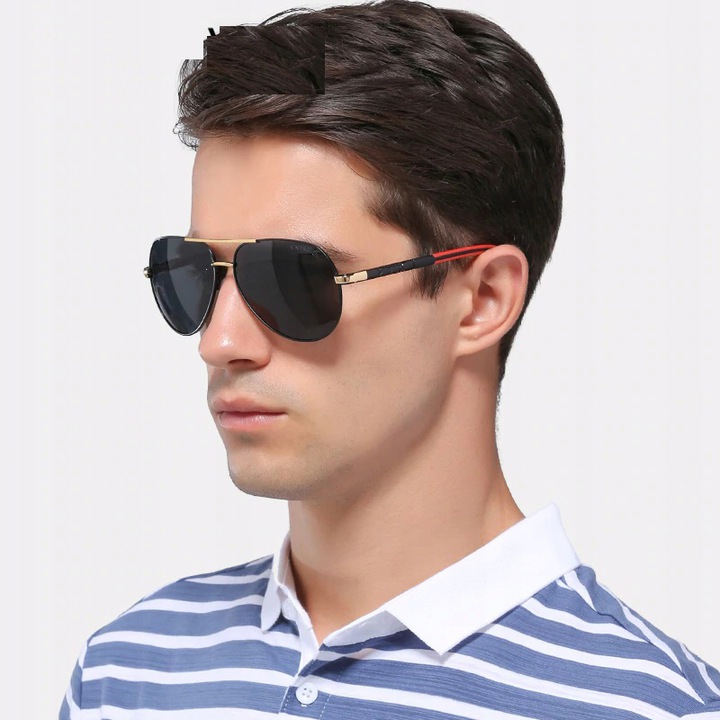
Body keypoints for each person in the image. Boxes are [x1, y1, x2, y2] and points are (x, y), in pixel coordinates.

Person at [59, 1, 720, 718]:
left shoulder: (653, 705)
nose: (219, 342)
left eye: (295, 278)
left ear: (483, 299)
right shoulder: (127, 671)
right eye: (195, 274)